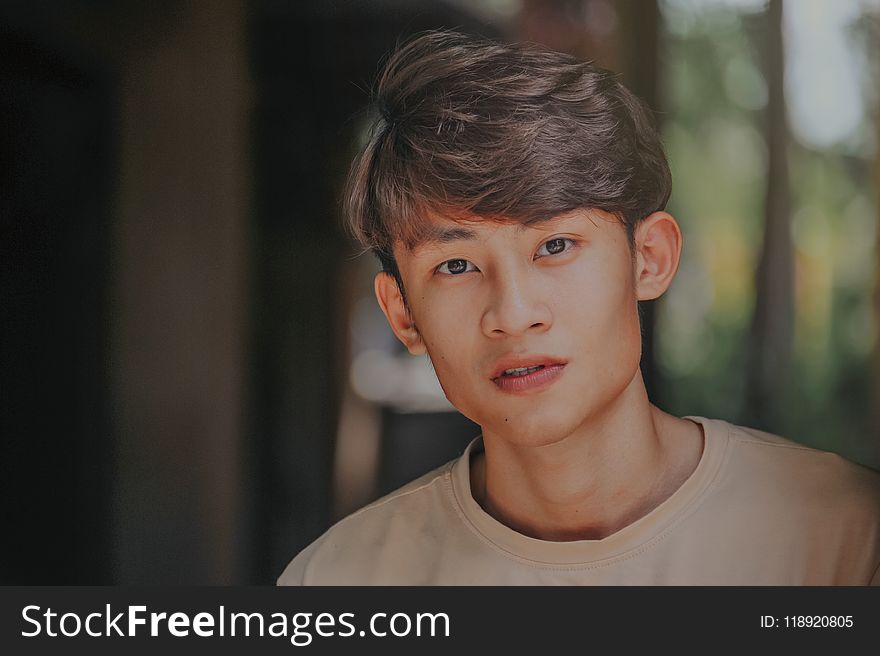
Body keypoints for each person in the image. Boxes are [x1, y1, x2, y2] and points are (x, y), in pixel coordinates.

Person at [278, 29, 880, 585]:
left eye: (556, 245)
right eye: (456, 266)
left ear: (649, 258)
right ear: (403, 312)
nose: (513, 314)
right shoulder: (337, 583)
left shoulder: (845, 541)